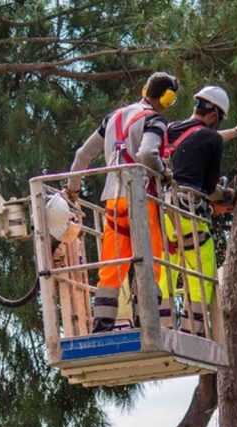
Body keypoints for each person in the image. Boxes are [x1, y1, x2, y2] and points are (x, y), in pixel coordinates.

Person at [63, 72, 177, 333]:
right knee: (150, 261)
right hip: (142, 198)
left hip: (113, 201)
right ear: (167, 98)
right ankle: (146, 324)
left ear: (145, 90)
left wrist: (73, 189)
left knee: (112, 267)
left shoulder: (112, 118)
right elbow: (147, 153)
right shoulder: (154, 119)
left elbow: (82, 155)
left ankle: (102, 326)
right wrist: (164, 174)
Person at [159, 85, 237, 335]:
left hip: (163, 211)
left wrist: (236, 132)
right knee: (201, 272)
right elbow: (208, 188)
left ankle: (162, 325)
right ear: (214, 115)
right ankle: (192, 331)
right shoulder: (211, 139)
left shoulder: (171, 130)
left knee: (166, 268)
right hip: (189, 212)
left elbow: (198, 136)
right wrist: (226, 196)